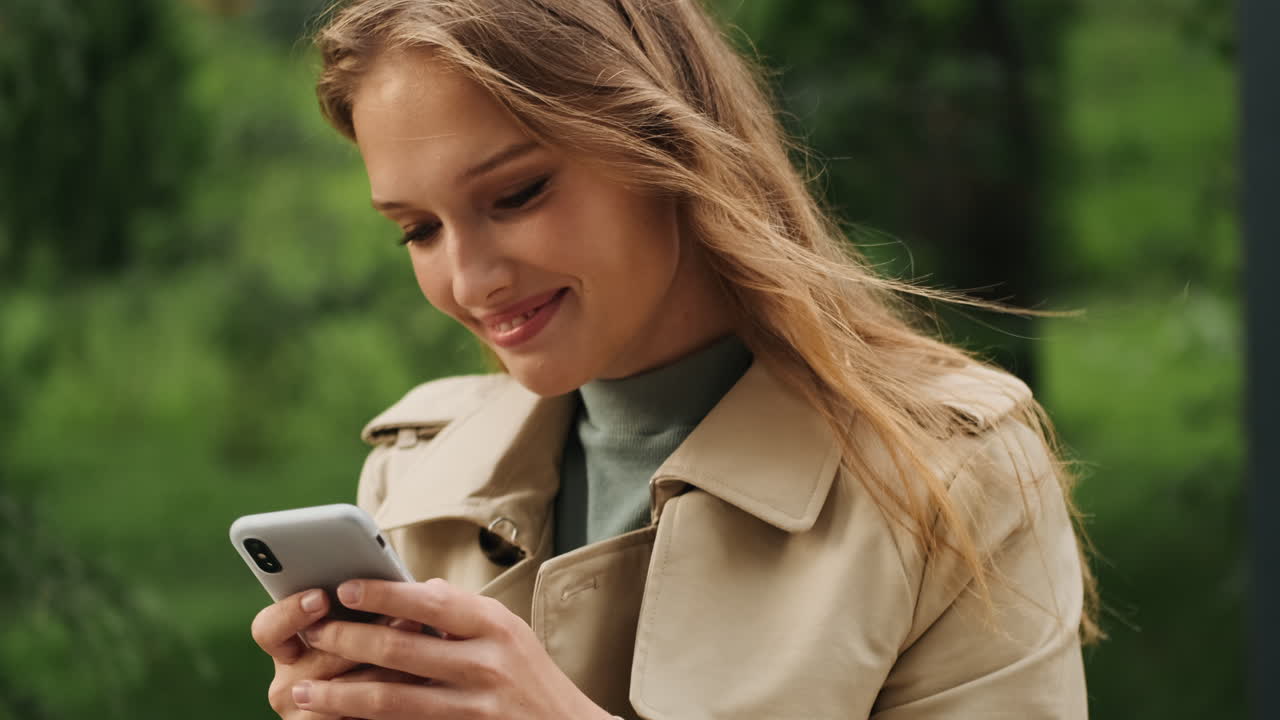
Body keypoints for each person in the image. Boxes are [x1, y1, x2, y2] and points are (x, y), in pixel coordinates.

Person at [248, 0, 1100, 717]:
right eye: (418, 230)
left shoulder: (952, 477)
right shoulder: (413, 479)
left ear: (663, 144)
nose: (471, 282)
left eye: (516, 195)